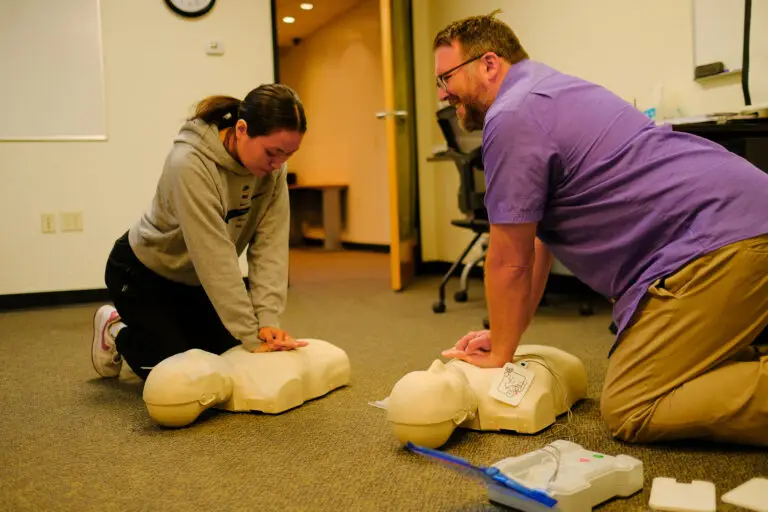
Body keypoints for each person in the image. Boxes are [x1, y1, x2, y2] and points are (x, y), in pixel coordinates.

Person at [434, 12, 768, 446]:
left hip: (716, 244)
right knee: (701, 371)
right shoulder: (550, 89)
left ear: (489, 64)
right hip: (741, 222)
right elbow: (535, 245)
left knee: (631, 405)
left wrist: (499, 354)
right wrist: (505, 337)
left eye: (447, 77)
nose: (443, 93)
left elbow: (508, 260)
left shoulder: (511, 115)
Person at [91, 83, 308, 381]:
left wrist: (266, 322)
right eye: (272, 152)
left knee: (227, 361)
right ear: (242, 129)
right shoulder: (190, 163)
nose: (278, 164)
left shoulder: (274, 171)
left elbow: (270, 246)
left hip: (197, 281)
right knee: (174, 375)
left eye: (288, 154)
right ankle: (115, 329)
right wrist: (249, 332)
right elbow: (215, 258)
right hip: (144, 273)